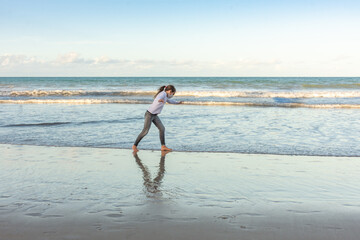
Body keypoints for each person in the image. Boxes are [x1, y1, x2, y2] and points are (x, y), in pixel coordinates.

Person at [132, 85, 182, 153]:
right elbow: (159, 97)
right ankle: (135, 145)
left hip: (154, 115)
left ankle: (163, 146)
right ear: (170, 91)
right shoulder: (162, 94)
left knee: (162, 128)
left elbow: (170, 101)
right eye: (173, 94)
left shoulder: (166, 96)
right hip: (149, 114)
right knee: (145, 131)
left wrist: (178, 103)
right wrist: (160, 100)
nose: (172, 95)